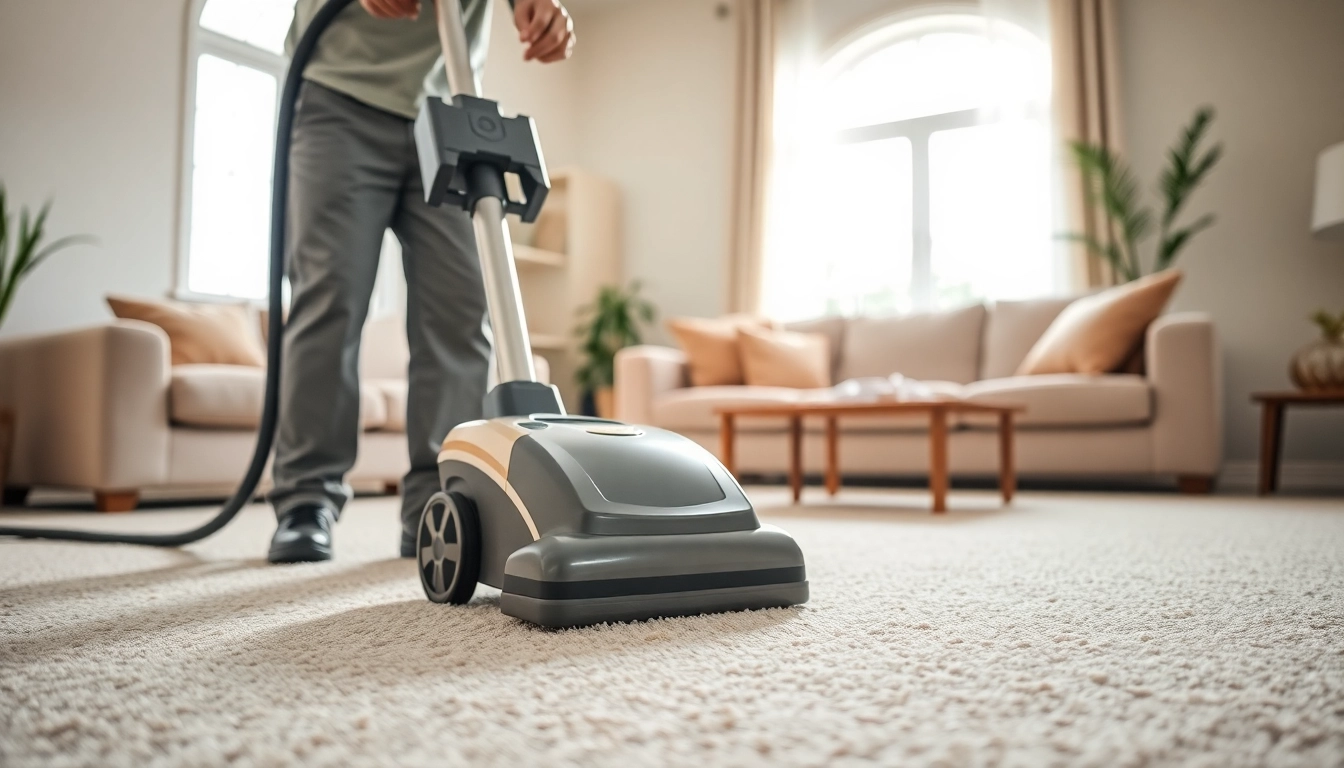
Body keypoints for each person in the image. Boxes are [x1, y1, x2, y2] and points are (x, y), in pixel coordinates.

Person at [267, 0, 575, 564]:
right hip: (341, 94)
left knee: (461, 311)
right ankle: (306, 499)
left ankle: (440, 504)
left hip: (448, 109)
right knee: (330, 298)